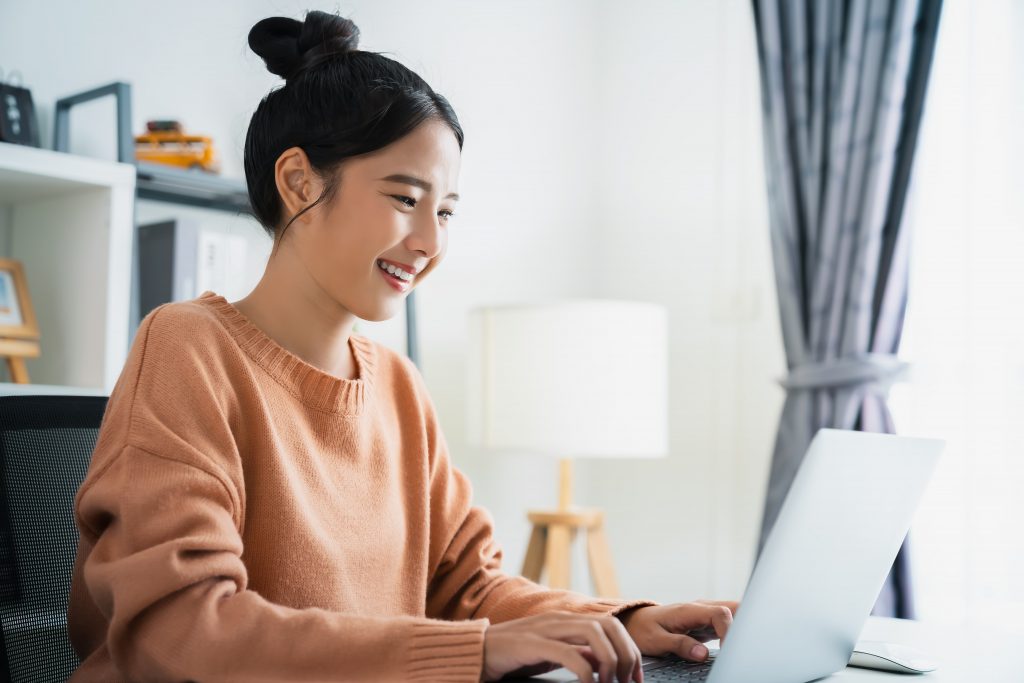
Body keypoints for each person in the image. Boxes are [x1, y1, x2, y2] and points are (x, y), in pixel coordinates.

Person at [67, 10, 738, 683]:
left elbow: (470, 589)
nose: (430, 241)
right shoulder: (188, 348)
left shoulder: (396, 384)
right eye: (404, 197)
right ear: (298, 181)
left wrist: (619, 620)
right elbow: (186, 630)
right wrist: (469, 651)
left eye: (444, 211)